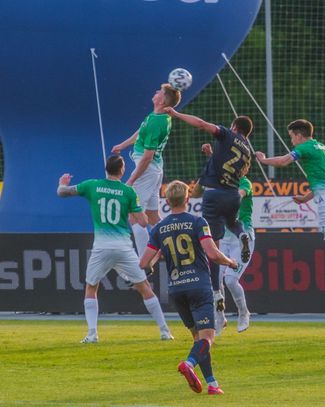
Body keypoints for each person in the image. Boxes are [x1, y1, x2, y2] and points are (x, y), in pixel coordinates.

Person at [57, 155, 173, 343]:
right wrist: (135, 210)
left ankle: (92, 334)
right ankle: (164, 331)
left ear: (106, 168)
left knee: (91, 287)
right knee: (144, 288)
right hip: (123, 248)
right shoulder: (128, 191)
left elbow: (62, 193)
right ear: (122, 170)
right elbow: (143, 222)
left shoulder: (92, 185)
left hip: (102, 247)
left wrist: (62, 183)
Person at [255, 119, 325, 312]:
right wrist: (306, 198)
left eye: (292, 137)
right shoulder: (323, 148)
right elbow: (322, 179)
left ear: (299, 135)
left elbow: (283, 161)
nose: (292, 141)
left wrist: (263, 160)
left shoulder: (305, 147)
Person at [139, 180, 238, 395]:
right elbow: (212, 253)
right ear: (187, 198)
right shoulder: (197, 222)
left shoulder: (159, 228)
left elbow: (143, 262)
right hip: (199, 287)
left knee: (197, 338)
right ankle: (189, 364)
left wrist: (156, 259)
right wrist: (230, 262)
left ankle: (212, 384)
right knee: (208, 338)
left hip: (176, 289)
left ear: (167, 201)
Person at [164, 107, 252, 314]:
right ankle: (242, 235)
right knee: (233, 223)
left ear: (234, 126)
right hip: (232, 196)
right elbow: (231, 168)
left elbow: (202, 124)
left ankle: (216, 292)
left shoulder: (227, 134)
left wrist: (176, 114)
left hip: (213, 195)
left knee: (212, 246)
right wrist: (212, 154)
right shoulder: (247, 152)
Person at [112, 83, 181, 258]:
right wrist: (123, 144)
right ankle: (175, 248)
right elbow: (141, 131)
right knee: (152, 216)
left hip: (147, 171)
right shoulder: (158, 116)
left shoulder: (157, 122)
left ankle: (145, 263)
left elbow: (147, 156)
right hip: (155, 170)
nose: (156, 92)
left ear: (162, 101)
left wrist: (131, 180)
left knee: (134, 216)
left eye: (160, 92)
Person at [192, 144, 255, 335]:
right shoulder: (220, 181)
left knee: (230, 280)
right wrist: (211, 160)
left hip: (242, 238)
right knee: (215, 281)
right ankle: (220, 318)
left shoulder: (244, 183)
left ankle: (243, 312)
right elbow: (196, 192)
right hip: (222, 239)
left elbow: (239, 195)